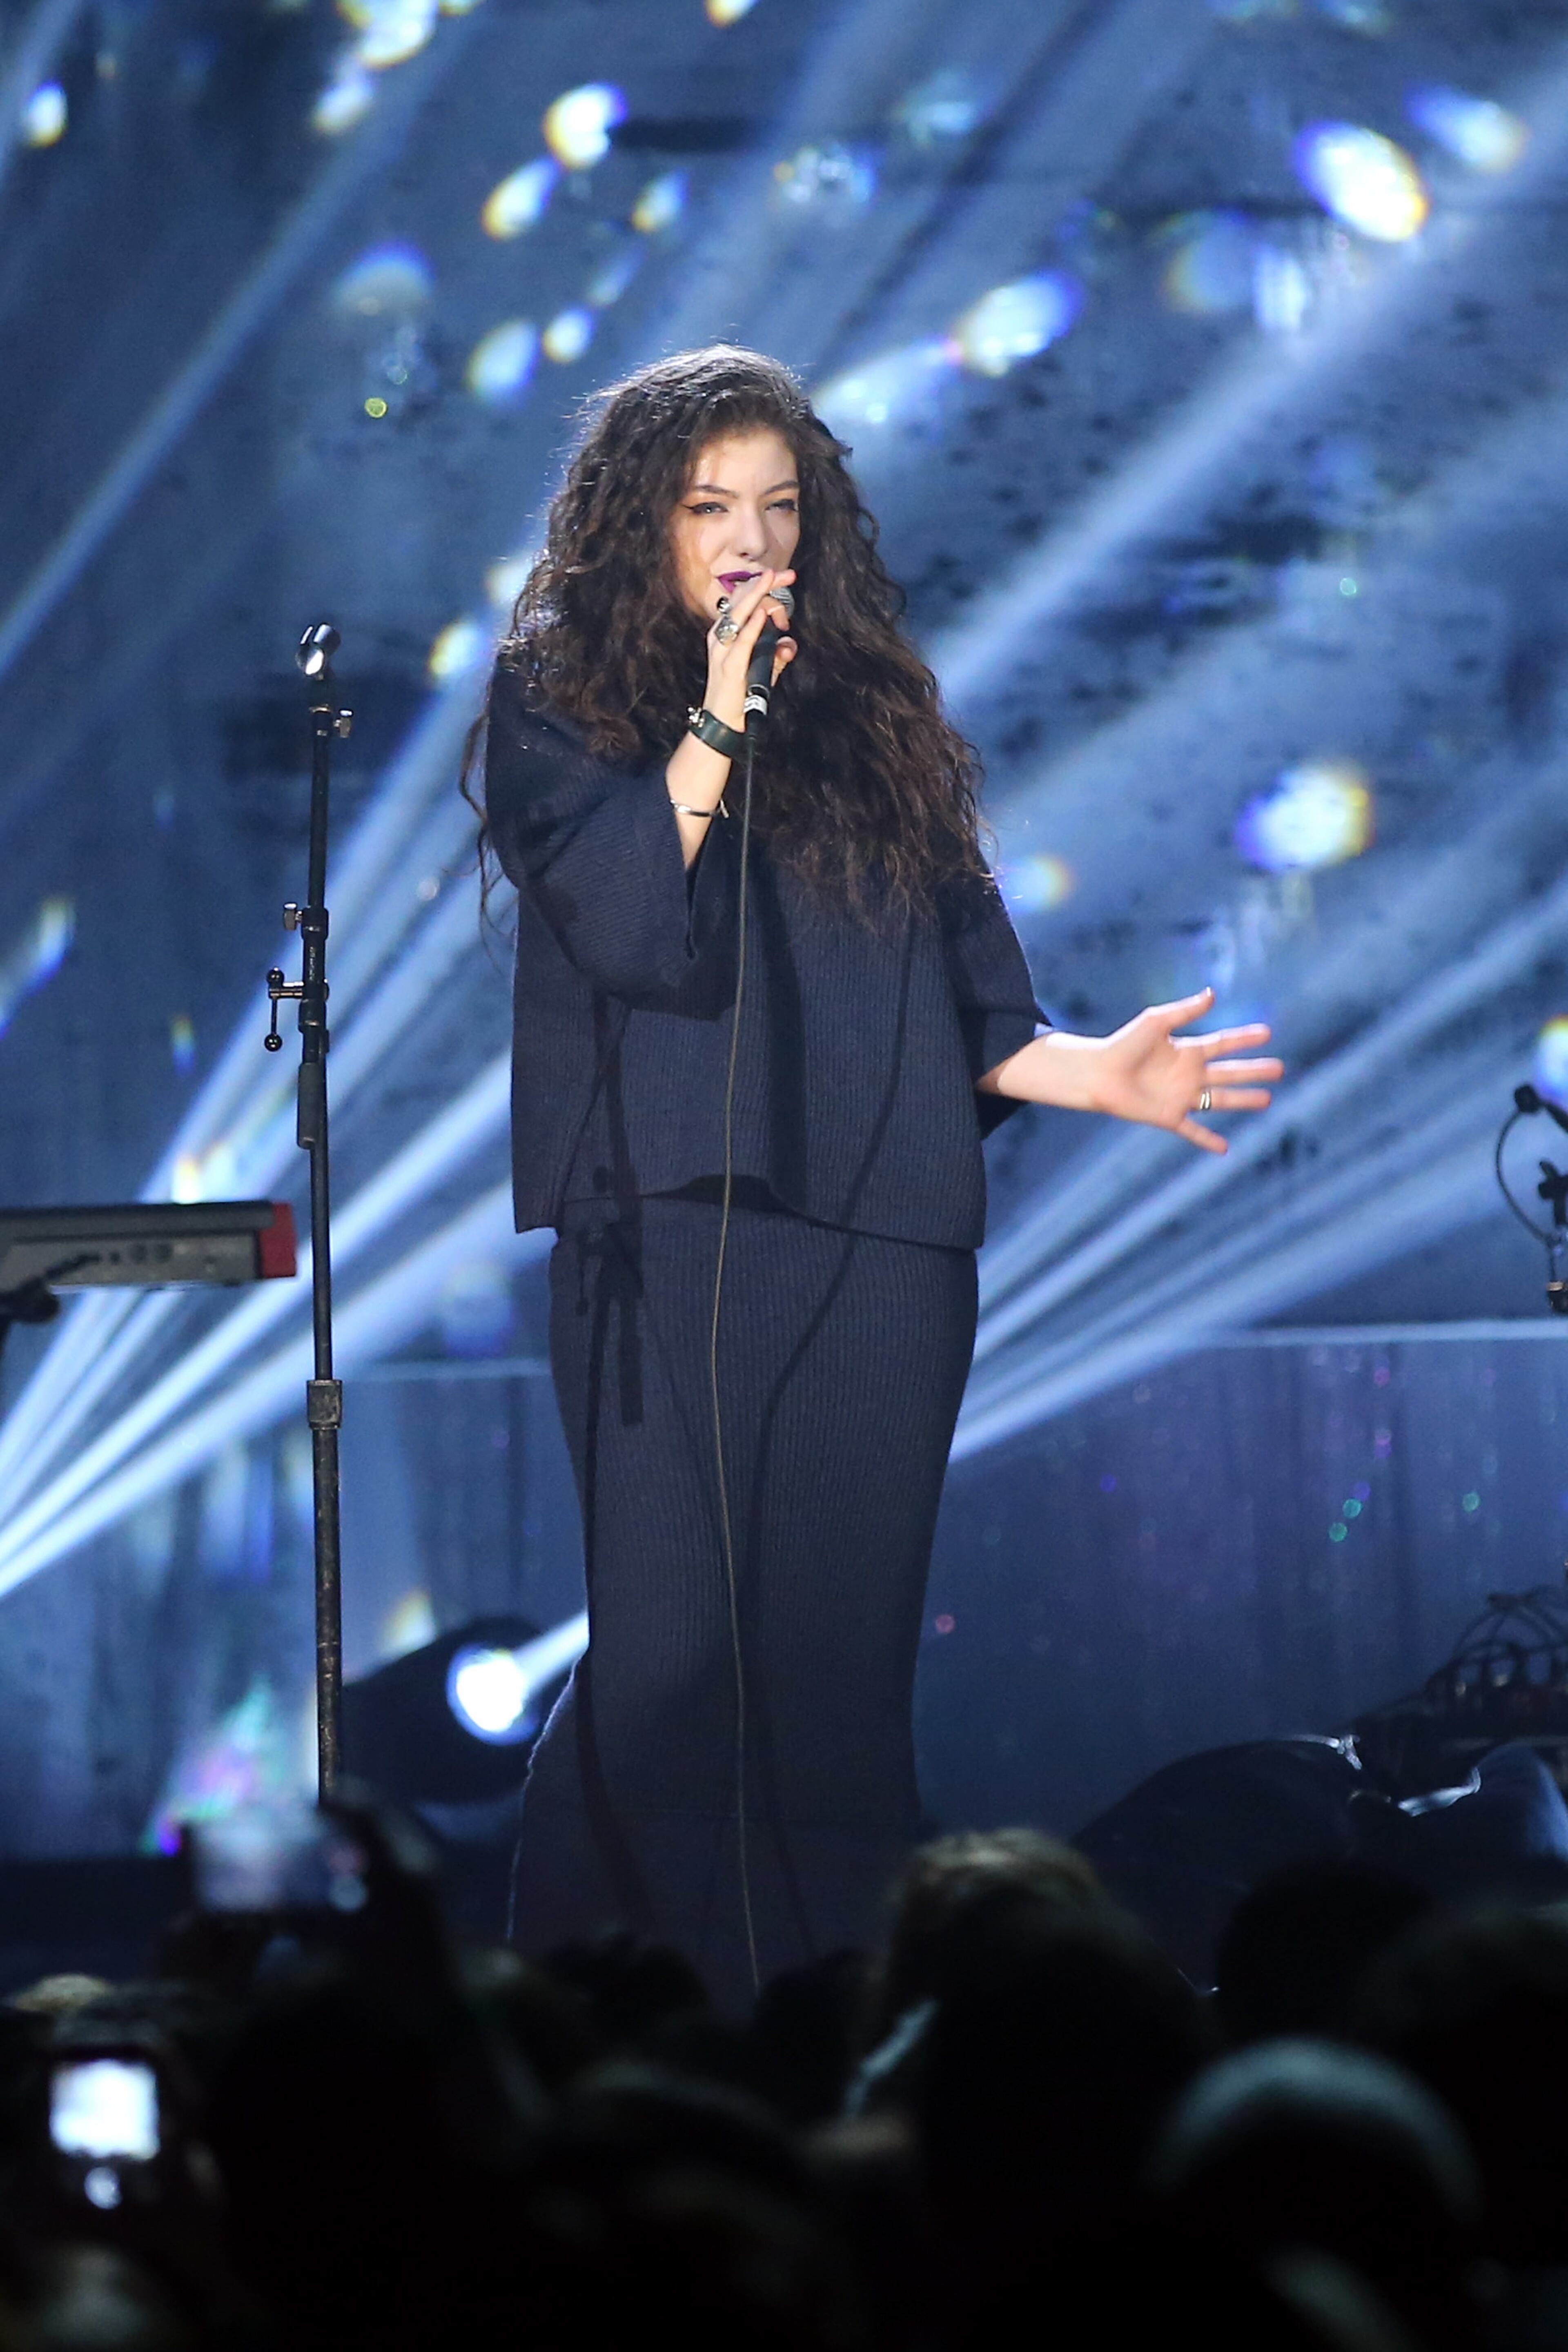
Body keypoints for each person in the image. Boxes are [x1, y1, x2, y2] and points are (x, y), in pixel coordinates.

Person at [474, 344, 1281, 2005]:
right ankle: (606, 2013)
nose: (749, 540)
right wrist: (712, 715)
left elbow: (976, 1006)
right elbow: (626, 925)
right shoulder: (562, 696)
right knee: (673, 1675)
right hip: (672, 1234)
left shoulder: (881, 715)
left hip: (884, 1245)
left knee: (833, 1688)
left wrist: (1096, 1074)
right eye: (711, 509)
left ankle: (834, 2032)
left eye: (779, 507)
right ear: (646, 527)